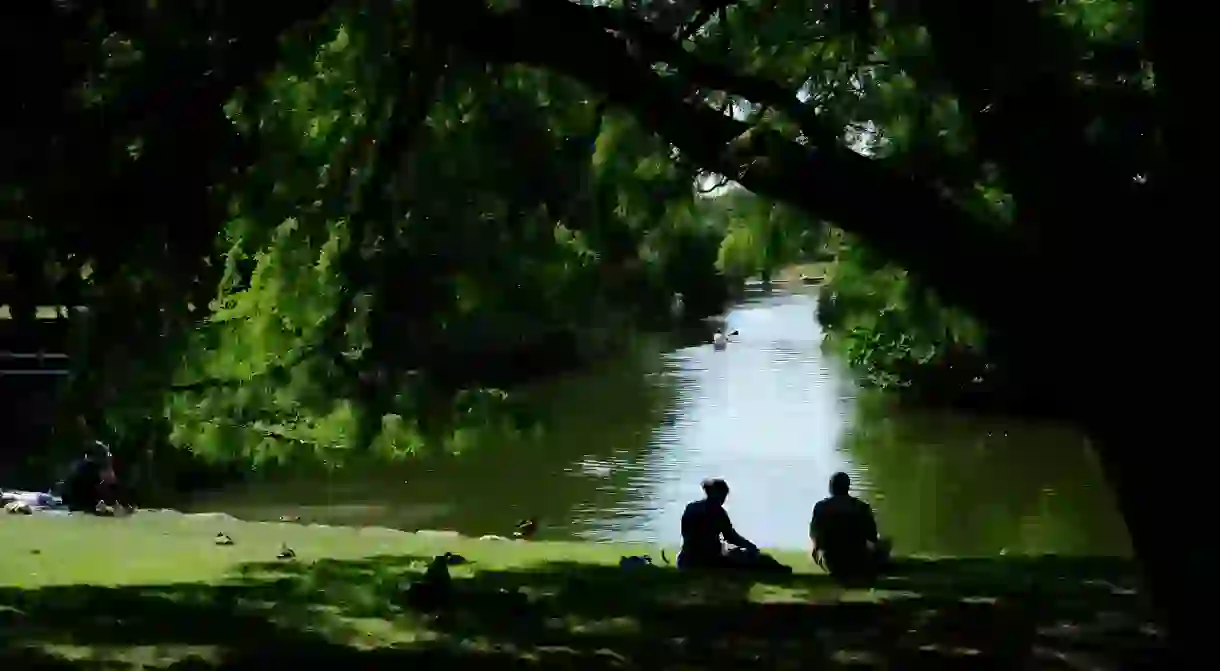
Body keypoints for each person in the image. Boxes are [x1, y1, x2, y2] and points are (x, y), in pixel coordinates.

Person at [809, 472, 891, 580]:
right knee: (886, 543)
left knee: (815, 543)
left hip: (832, 564)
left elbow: (815, 536)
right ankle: (876, 569)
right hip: (859, 562)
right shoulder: (862, 507)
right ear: (848, 487)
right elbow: (873, 537)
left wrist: (816, 550)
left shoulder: (821, 507)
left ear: (831, 488)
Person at [678, 478, 759, 569]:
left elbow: (685, 532)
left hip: (685, 559)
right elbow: (731, 537)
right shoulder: (718, 511)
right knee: (744, 555)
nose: (724, 498)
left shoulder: (691, 507)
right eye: (724, 495)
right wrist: (751, 546)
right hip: (706, 560)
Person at [53, 440, 122, 513]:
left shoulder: (83, 465)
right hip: (78, 503)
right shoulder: (90, 468)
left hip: (72, 501)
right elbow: (111, 481)